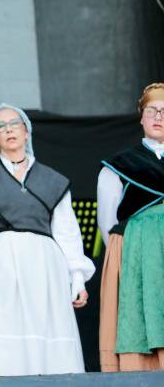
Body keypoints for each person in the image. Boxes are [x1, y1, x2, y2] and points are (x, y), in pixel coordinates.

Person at [0, 104, 94, 376]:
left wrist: (77, 279)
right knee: (4, 330)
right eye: (0, 127)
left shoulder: (52, 180)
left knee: (48, 327)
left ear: (26, 131)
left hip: (44, 263)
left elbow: (67, 232)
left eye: (14, 123)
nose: (8, 130)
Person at [98, 82, 164, 371]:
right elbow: (109, 226)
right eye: (152, 110)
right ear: (141, 117)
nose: (159, 117)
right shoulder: (118, 166)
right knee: (139, 318)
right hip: (140, 259)